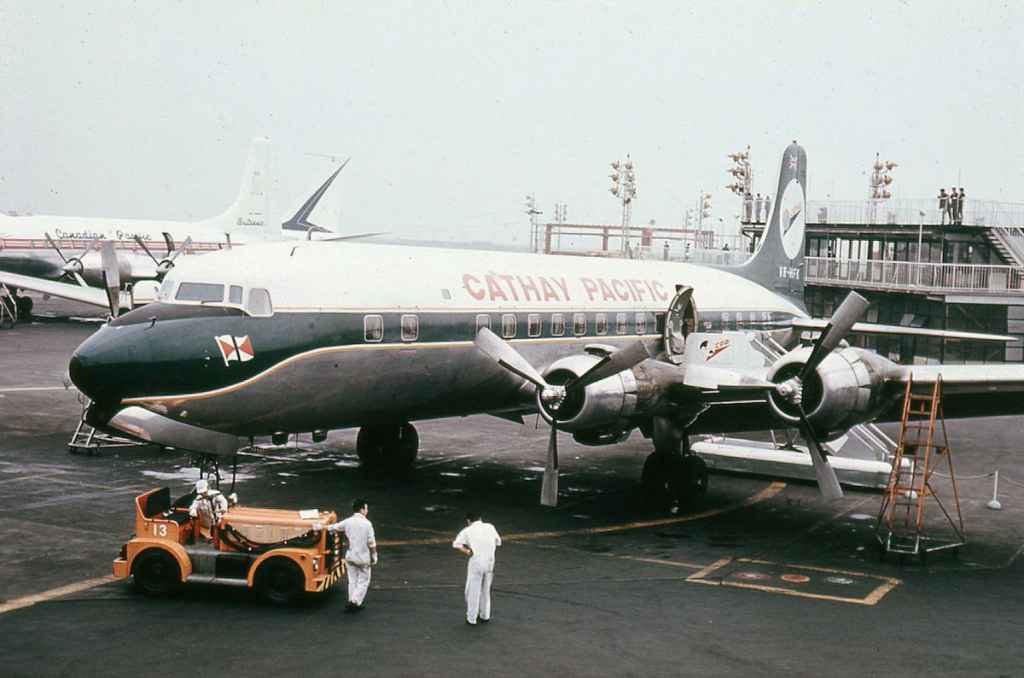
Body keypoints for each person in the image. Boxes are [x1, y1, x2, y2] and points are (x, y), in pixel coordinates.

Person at [325, 498, 378, 612]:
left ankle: (352, 601)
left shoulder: (348, 521)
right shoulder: (367, 524)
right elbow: (371, 543)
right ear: (362, 509)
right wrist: (374, 556)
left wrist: (320, 527)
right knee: (363, 581)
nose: (367, 510)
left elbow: (333, 527)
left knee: (352, 580)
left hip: (350, 556)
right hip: (363, 558)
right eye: (366, 508)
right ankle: (354, 602)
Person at [452, 511, 502, 626]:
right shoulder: (490, 527)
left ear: (469, 521)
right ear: (480, 518)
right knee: (486, 589)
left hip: (477, 562)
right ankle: (485, 615)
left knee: (472, 591)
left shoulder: (467, 530)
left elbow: (456, 544)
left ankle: (471, 618)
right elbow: (498, 542)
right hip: (490, 562)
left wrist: (468, 551)